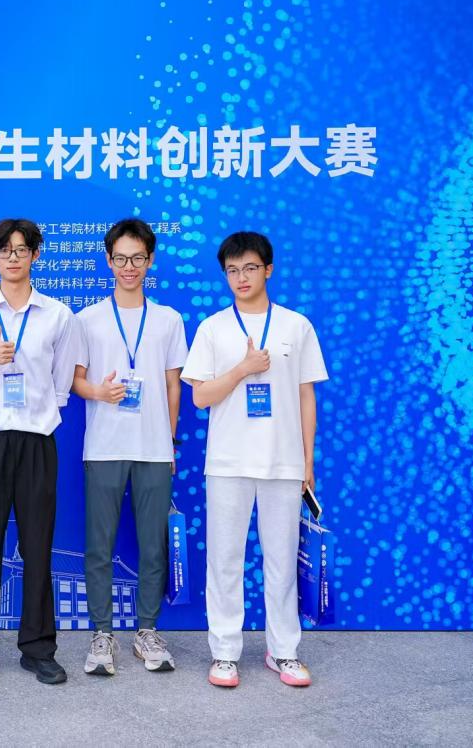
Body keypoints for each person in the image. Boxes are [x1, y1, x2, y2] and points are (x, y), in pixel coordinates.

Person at [181, 231, 328, 689]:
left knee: (281, 561)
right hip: (228, 462)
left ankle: (283, 651)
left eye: (249, 268)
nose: (241, 277)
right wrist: (243, 369)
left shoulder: (296, 326)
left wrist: (307, 461)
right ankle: (224, 652)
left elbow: (306, 396)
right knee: (224, 560)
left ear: (268, 269)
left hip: (283, 462)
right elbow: (200, 396)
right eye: (232, 270)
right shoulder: (213, 328)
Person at [0, 218, 78, 688]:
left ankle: (38, 648)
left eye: (22, 249)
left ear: (35, 255)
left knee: (38, 545)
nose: (13, 257)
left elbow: (62, 384)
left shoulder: (57, 315)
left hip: (37, 441)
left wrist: (39, 416)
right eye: (4, 250)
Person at [73, 219, 187, 676]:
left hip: (154, 448)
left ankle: (147, 631)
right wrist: (98, 393)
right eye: (120, 258)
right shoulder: (88, 319)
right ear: (108, 261)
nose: (129, 266)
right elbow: (76, 381)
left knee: (152, 545)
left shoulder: (168, 319)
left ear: (150, 260)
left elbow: (173, 386)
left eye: (138, 258)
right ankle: (102, 634)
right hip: (103, 445)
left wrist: (170, 441)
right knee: (99, 545)